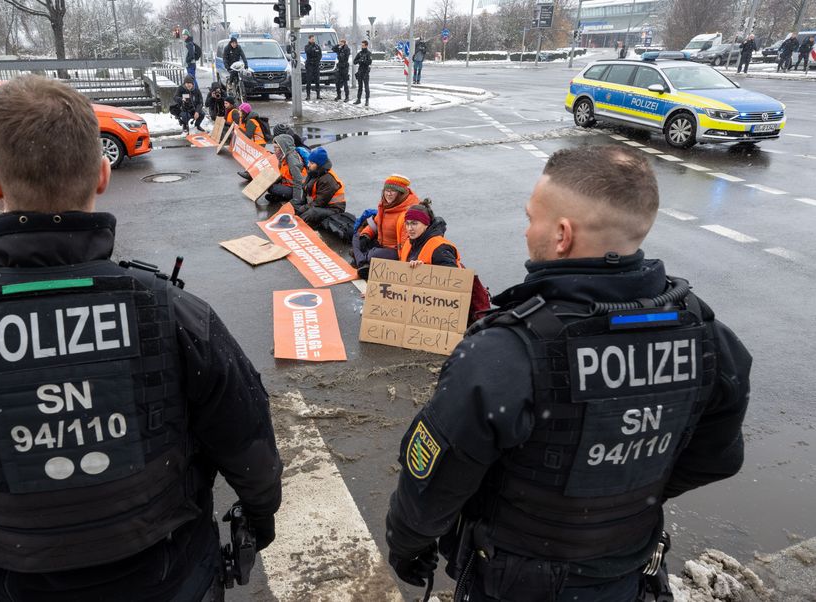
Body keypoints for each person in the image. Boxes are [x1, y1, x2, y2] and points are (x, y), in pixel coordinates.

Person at [0, 75, 283, 602]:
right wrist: (258, 520)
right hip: (170, 579)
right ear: (103, 174)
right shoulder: (173, 314)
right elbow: (249, 448)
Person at [385, 146, 751, 602]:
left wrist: (407, 546)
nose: (526, 230)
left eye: (531, 218)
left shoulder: (504, 354)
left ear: (561, 234)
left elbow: (433, 484)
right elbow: (718, 457)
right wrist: (621, 502)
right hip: (629, 570)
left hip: (517, 581)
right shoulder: (710, 338)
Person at [352, 174, 420, 279]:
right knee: (357, 236)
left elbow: (406, 244)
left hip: (395, 250)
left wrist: (403, 266)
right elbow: (375, 223)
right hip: (382, 243)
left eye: (393, 191)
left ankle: (361, 258)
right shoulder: (384, 205)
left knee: (373, 254)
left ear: (401, 193)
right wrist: (366, 235)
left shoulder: (407, 213)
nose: (388, 194)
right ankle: (362, 262)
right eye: (386, 190)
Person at [296, 146, 345, 228]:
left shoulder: (328, 179)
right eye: (309, 162)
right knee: (293, 203)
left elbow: (319, 203)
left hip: (333, 209)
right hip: (318, 205)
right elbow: (305, 189)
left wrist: (302, 209)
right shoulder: (313, 171)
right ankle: (296, 220)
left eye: (312, 163)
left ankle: (297, 226)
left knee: (312, 212)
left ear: (319, 165)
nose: (308, 165)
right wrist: (301, 205)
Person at [264, 133, 305, 204]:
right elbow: (285, 175)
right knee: (268, 184)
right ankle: (280, 197)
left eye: (276, 148)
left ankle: (286, 197)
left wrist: (296, 200)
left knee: (271, 188)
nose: (274, 150)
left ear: (283, 147)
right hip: (290, 185)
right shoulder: (284, 157)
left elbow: (298, 181)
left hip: (299, 189)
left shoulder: (292, 160)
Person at [353, 40, 373, 106]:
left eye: (363, 45)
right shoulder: (360, 53)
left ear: (366, 45)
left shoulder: (368, 53)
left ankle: (367, 100)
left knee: (366, 87)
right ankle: (358, 99)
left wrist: (364, 61)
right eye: (361, 45)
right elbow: (354, 61)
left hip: (366, 72)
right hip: (360, 71)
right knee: (360, 87)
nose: (362, 46)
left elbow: (370, 62)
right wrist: (359, 60)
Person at [305, 34, 322, 100]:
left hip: (316, 66)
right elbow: (308, 52)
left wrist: (317, 60)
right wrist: (311, 46)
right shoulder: (307, 46)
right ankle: (308, 95)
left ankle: (318, 95)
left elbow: (320, 55)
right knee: (308, 81)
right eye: (312, 39)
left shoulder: (317, 46)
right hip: (309, 66)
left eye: (313, 39)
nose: (313, 40)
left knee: (317, 81)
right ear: (309, 39)